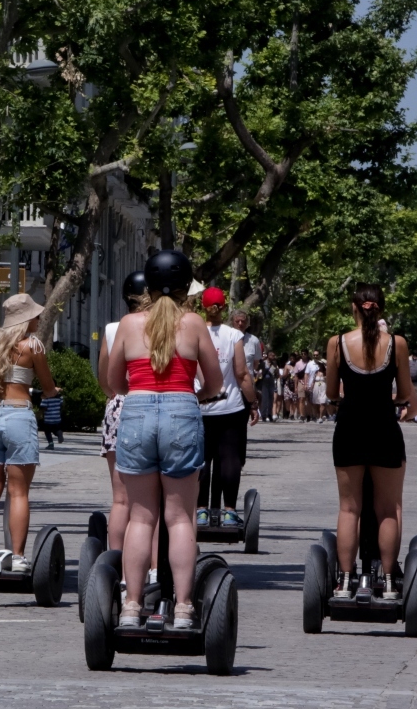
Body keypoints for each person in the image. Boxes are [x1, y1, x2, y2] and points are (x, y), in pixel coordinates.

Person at [108, 250, 222, 629]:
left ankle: (131, 605)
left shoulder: (127, 324)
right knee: (179, 519)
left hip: (137, 411)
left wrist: (139, 390)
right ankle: (185, 607)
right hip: (181, 411)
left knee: (141, 517)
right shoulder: (194, 324)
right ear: (187, 286)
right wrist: (195, 396)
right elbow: (215, 383)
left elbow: (112, 383)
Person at [324, 284, 415, 600]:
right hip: (384, 428)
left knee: (349, 509)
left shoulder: (337, 343)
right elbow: (404, 393)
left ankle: (346, 581)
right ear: (381, 309)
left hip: (349, 428)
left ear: (354, 308)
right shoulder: (396, 344)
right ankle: (388, 581)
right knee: (387, 509)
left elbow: (332, 393)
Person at [0, 294, 60, 573]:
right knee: (19, 492)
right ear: (25, 319)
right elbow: (47, 386)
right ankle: (18, 556)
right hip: (19, 415)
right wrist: (54, 393)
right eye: (34, 315)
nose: (39, 318)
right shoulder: (33, 346)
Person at [196, 287, 258, 529]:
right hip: (230, 408)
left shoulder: (192, 333)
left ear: (203, 307)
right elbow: (242, 373)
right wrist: (252, 402)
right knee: (230, 459)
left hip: (199, 407)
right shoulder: (234, 336)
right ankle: (229, 511)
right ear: (224, 308)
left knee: (200, 460)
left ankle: (200, 510)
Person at [97, 271, 150, 552]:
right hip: (150, 403)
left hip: (118, 405)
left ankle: (114, 560)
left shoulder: (112, 328)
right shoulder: (158, 326)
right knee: (150, 501)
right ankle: (152, 567)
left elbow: (104, 379)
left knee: (120, 498)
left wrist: (117, 396)